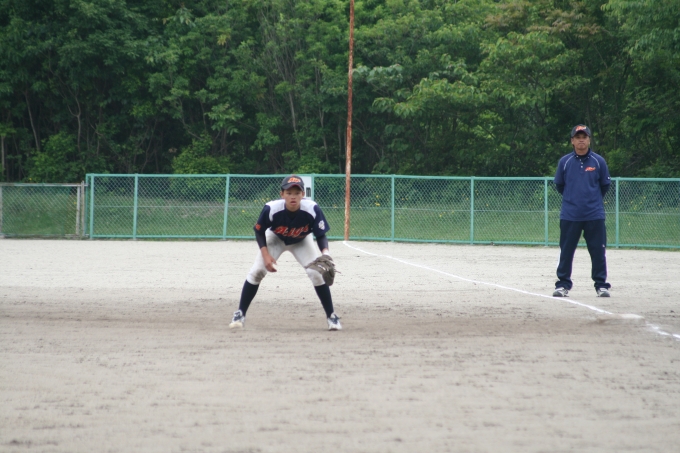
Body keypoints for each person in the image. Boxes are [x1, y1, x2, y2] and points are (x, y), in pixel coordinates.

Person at [229, 175, 342, 330]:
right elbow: (259, 232)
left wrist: (326, 253)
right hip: (275, 238)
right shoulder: (271, 208)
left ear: (303, 194)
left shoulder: (312, 208)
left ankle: (331, 316)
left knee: (316, 273)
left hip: (301, 240)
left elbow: (321, 235)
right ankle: (240, 313)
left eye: (297, 193)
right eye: (289, 193)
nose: (293, 196)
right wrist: (266, 255)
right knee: (257, 271)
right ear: (282, 194)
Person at [553, 124, 612, 298]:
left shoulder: (598, 161)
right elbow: (560, 185)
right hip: (570, 215)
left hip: (594, 214)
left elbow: (604, 185)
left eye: (584, 137)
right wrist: (573, 199)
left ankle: (601, 285)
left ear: (589, 140)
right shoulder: (565, 162)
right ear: (572, 141)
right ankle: (563, 284)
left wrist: (591, 200)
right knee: (566, 251)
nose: (581, 140)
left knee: (598, 251)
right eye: (577, 137)